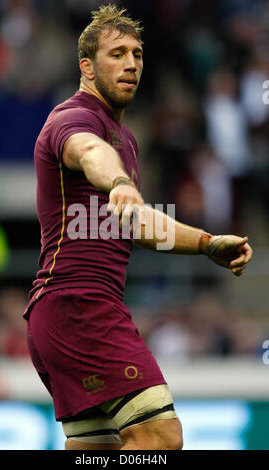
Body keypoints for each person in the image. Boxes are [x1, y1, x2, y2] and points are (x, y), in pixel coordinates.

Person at [23, 5, 253, 451]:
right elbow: (89, 152)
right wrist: (120, 182)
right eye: (117, 54)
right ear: (86, 67)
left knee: (99, 450)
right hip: (79, 304)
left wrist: (206, 244)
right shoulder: (74, 119)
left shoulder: (125, 137)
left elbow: (141, 224)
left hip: (64, 313)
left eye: (137, 54)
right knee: (161, 436)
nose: (131, 64)